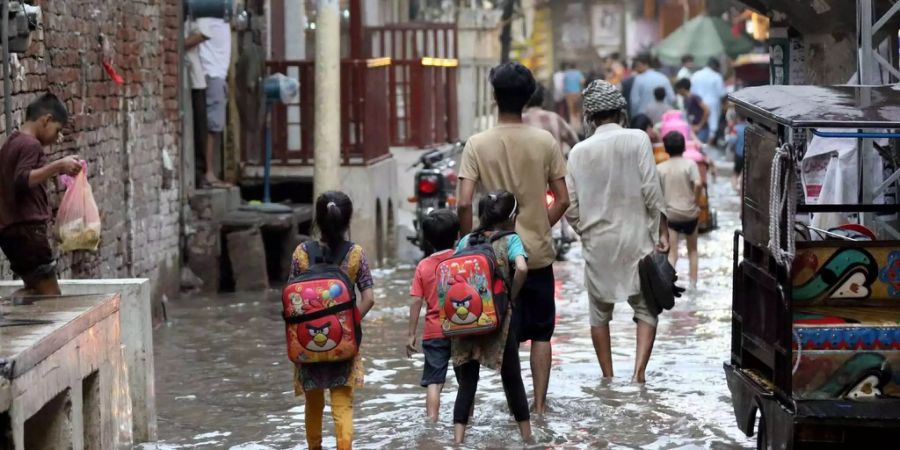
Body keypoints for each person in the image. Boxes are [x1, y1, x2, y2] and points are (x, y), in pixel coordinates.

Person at [458, 62, 569, 416]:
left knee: (500, 336)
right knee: (541, 335)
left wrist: (469, 242)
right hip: (535, 257)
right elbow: (564, 198)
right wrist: (539, 226)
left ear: (494, 98)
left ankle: (503, 411)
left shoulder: (476, 144)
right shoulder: (545, 142)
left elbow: (462, 202)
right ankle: (537, 408)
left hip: (490, 262)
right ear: (527, 98)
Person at [565, 80, 668, 384]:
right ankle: (638, 375)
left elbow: (570, 205)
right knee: (646, 308)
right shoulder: (637, 139)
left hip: (598, 243)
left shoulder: (578, 152)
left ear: (590, 118)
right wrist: (661, 229)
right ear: (621, 113)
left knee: (599, 314)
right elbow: (652, 190)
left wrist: (584, 229)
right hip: (636, 238)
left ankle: (608, 378)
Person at [289, 192, 376, 450]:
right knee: (342, 403)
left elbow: (292, 299)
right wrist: (349, 325)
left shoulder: (301, 253)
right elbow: (369, 298)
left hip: (307, 343)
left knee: (313, 403)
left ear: (318, 218)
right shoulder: (356, 254)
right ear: (347, 219)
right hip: (342, 343)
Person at [452, 191, 531, 444]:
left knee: (467, 383)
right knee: (512, 377)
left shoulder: (465, 241)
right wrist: (511, 295)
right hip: (498, 319)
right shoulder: (511, 240)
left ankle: (457, 440)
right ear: (511, 217)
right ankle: (527, 437)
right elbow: (522, 267)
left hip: (465, 320)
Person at [0, 93, 82, 297]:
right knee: (51, 296)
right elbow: (22, 179)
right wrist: (58, 165)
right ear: (46, 120)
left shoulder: (11, 142)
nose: (58, 137)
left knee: (34, 291)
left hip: (10, 232)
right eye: (58, 130)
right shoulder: (31, 145)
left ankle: (10, 312)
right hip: (28, 232)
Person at [406, 209, 460, 422]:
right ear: (457, 235)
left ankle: (431, 423)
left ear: (427, 239)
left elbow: (416, 301)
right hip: (463, 329)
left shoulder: (423, 266)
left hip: (434, 331)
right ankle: (466, 420)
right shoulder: (461, 260)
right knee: (466, 381)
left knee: (434, 382)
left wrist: (410, 334)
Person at [657, 132, 702, 289]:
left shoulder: (660, 168)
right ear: (684, 147)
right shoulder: (690, 165)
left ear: (666, 148)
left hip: (672, 215)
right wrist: (695, 201)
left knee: (673, 252)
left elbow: (657, 195)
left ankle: (668, 283)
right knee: (693, 250)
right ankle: (693, 284)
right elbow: (698, 184)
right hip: (690, 213)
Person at [196, 16, 232, 188]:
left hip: (218, 74)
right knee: (212, 126)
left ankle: (210, 172)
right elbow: (202, 34)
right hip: (212, 72)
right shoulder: (208, 13)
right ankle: (208, 173)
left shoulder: (221, 13)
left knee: (216, 126)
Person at [184, 17, 209, 188]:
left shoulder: (196, 10)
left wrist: (179, 44)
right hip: (182, 75)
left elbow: (203, 33)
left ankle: (200, 173)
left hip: (194, 76)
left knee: (199, 128)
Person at [523, 85, 579, 156]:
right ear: (543, 99)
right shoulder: (554, 118)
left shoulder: (520, 121)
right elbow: (574, 141)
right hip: (556, 165)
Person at [690, 58, 726, 145]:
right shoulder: (716, 76)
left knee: (699, 125)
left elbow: (692, 91)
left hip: (698, 104)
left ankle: (698, 144)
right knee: (713, 126)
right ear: (715, 67)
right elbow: (722, 93)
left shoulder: (695, 75)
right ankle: (708, 146)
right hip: (712, 104)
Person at [630, 54, 675, 118]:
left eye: (638, 66)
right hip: (663, 117)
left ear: (646, 65)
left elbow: (635, 101)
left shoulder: (638, 79)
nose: (636, 69)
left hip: (643, 117)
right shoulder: (663, 78)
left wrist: (635, 117)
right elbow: (672, 98)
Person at [562, 63, 586, 128]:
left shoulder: (566, 73)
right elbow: (582, 81)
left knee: (570, 109)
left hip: (568, 93)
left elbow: (563, 83)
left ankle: (572, 125)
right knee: (577, 108)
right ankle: (578, 124)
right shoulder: (578, 73)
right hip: (577, 93)